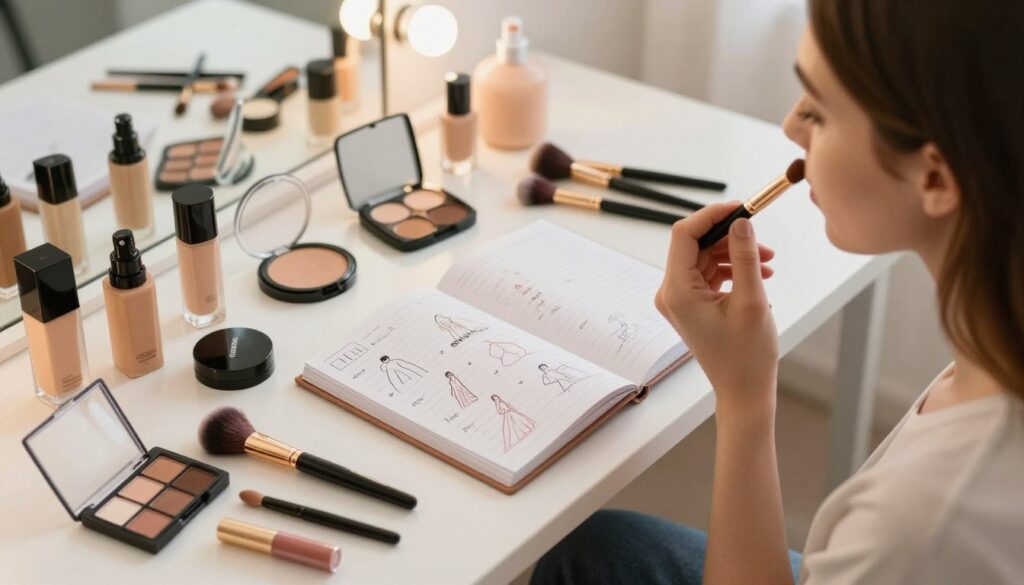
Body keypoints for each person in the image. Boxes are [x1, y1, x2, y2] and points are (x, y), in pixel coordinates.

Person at [531, 1, 1024, 583]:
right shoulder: (996, 325)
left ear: (935, 177)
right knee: (594, 547)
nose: (791, 127)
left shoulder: (918, 528)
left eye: (817, 110)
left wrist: (744, 398)